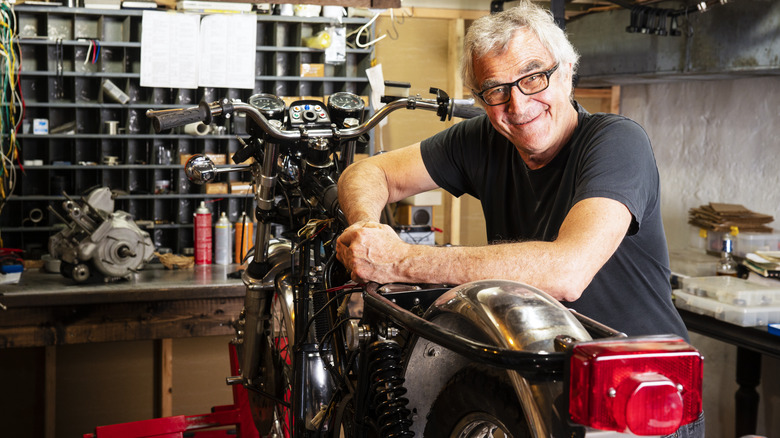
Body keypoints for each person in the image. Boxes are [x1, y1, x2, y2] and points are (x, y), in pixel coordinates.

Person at [337, 0, 691, 361]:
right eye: (496, 90)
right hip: (543, 374)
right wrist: (369, 235)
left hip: (641, 387)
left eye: (534, 77)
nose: (518, 106)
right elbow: (367, 172)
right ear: (480, 98)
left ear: (567, 73)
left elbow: (567, 271)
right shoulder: (483, 139)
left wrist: (400, 261)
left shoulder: (617, 142)